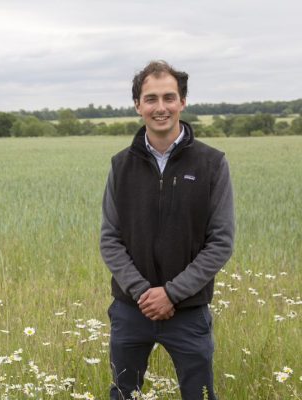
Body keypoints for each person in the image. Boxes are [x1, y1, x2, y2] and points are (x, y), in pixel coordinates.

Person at [99, 60, 235, 400]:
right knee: (123, 394)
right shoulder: (121, 165)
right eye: (151, 99)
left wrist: (172, 293)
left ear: (183, 102)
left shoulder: (212, 163)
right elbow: (110, 239)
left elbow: (220, 242)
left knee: (199, 395)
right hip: (131, 311)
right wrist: (144, 293)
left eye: (169, 97)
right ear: (137, 105)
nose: (161, 107)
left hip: (189, 313)